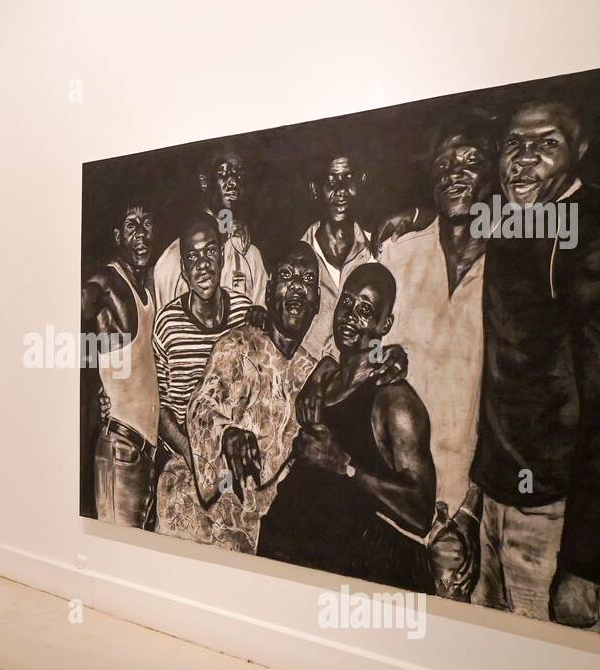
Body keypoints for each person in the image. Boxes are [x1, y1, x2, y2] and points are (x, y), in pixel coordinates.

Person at [449, 100, 600, 629]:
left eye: (546, 144)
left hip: (557, 513)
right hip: (495, 500)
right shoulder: (510, 216)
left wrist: (583, 562)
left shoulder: (598, 229)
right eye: (514, 145)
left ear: (580, 152)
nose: (524, 160)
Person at [265, 264, 438, 594]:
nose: (349, 317)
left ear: (384, 325)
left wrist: (344, 465)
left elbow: (420, 511)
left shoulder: (395, 402)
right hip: (299, 556)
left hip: (355, 572)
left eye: (365, 310)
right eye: (346, 303)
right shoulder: (325, 378)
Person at [379, 118, 496, 597]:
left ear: (495, 176)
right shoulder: (398, 254)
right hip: (390, 503)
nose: (454, 172)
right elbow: (356, 341)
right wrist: (376, 360)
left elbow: (512, 406)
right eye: (444, 164)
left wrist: (472, 509)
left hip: (464, 513)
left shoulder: (510, 273)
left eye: (470, 161)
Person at [183, 244, 322, 552]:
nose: (298, 285)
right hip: (198, 523)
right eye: (286, 275)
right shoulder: (237, 344)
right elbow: (201, 407)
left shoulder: (315, 374)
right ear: (269, 290)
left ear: (316, 303)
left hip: (258, 535)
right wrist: (226, 434)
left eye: (308, 279)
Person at [152, 217, 253, 540]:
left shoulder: (245, 313)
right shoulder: (167, 324)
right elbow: (161, 408)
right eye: (192, 258)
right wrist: (195, 456)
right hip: (185, 466)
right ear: (183, 269)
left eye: (210, 252)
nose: (202, 265)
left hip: (239, 470)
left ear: (223, 257)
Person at [82, 203, 159, 528]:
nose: (140, 233)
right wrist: (91, 386)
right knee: (115, 551)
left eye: (146, 223)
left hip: (144, 451)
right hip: (120, 448)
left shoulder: (146, 286)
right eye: (131, 225)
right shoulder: (107, 281)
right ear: (117, 236)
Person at [153, 147, 267, 310]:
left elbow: (261, 324)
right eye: (224, 173)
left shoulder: (250, 254)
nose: (234, 182)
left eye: (238, 174)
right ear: (204, 182)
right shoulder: (171, 261)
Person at [297, 154, 375, 358]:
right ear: (315, 189)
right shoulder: (295, 261)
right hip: (305, 383)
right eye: (331, 181)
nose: (340, 190)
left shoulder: (380, 252)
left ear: (362, 181)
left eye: (348, 179)